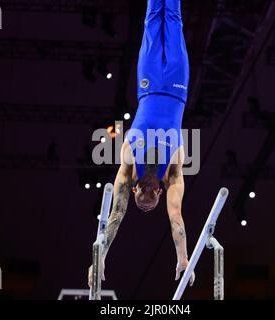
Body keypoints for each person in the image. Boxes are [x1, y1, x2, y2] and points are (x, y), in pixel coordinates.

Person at [88, 0, 195, 289]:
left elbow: (117, 214)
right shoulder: (173, 175)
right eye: (152, 192)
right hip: (176, 87)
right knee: (172, 19)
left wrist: (100, 257)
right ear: (159, 192)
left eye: (142, 191)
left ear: (134, 188)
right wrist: (183, 259)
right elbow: (176, 217)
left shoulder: (127, 166)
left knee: (151, 21)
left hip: (147, 83)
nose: (148, 188)